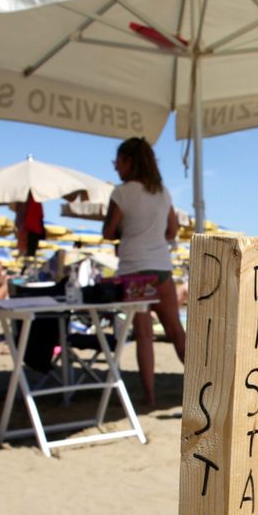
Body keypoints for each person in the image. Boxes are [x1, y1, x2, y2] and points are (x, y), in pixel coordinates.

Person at [102, 136, 187, 406]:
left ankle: (149, 395)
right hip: (161, 267)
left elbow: (107, 232)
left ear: (129, 161)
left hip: (134, 271)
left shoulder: (122, 192)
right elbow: (173, 230)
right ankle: (203, 385)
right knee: (176, 331)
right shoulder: (163, 193)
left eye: (118, 161)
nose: (115, 166)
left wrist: (124, 231)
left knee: (144, 336)